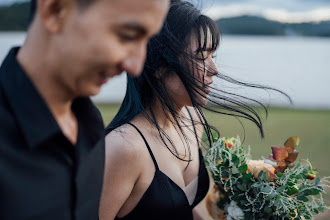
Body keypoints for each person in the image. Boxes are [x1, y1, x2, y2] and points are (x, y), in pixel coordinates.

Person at [0, 0, 169, 219]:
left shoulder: (91, 124)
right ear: (55, 10)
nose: (136, 66)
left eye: (147, 41)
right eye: (127, 35)